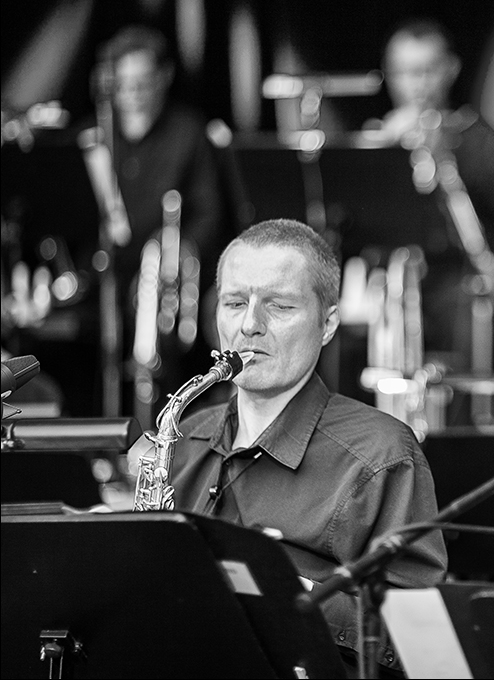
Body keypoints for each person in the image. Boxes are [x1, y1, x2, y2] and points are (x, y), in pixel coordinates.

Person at [156, 219, 447, 674]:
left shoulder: (381, 454)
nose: (249, 326)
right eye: (235, 303)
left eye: (280, 306)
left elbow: (425, 647)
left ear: (328, 323)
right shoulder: (186, 434)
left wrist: (293, 595)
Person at [89, 25, 241, 414]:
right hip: (107, 275)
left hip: (167, 283)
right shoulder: (100, 138)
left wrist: (175, 255)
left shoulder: (189, 133)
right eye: (123, 85)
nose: (132, 95)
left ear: (164, 78)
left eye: (142, 83)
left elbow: (210, 215)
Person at [364, 18, 494, 372]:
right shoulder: (378, 137)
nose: (415, 84)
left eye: (426, 70)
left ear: (450, 70)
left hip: (462, 286)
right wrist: (385, 149)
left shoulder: (473, 132)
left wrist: (448, 150)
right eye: (403, 72)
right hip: (396, 287)